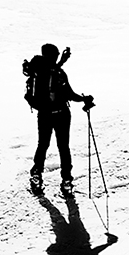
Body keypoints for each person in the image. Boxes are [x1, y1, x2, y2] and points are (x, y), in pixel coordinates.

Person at [25, 43, 94, 195]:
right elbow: (69, 94)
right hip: (61, 114)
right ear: (52, 55)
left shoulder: (36, 71)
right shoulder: (58, 73)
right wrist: (84, 99)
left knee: (42, 145)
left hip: (44, 114)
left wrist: (62, 61)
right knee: (63, 147)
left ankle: (36, 176)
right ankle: (67, 181)